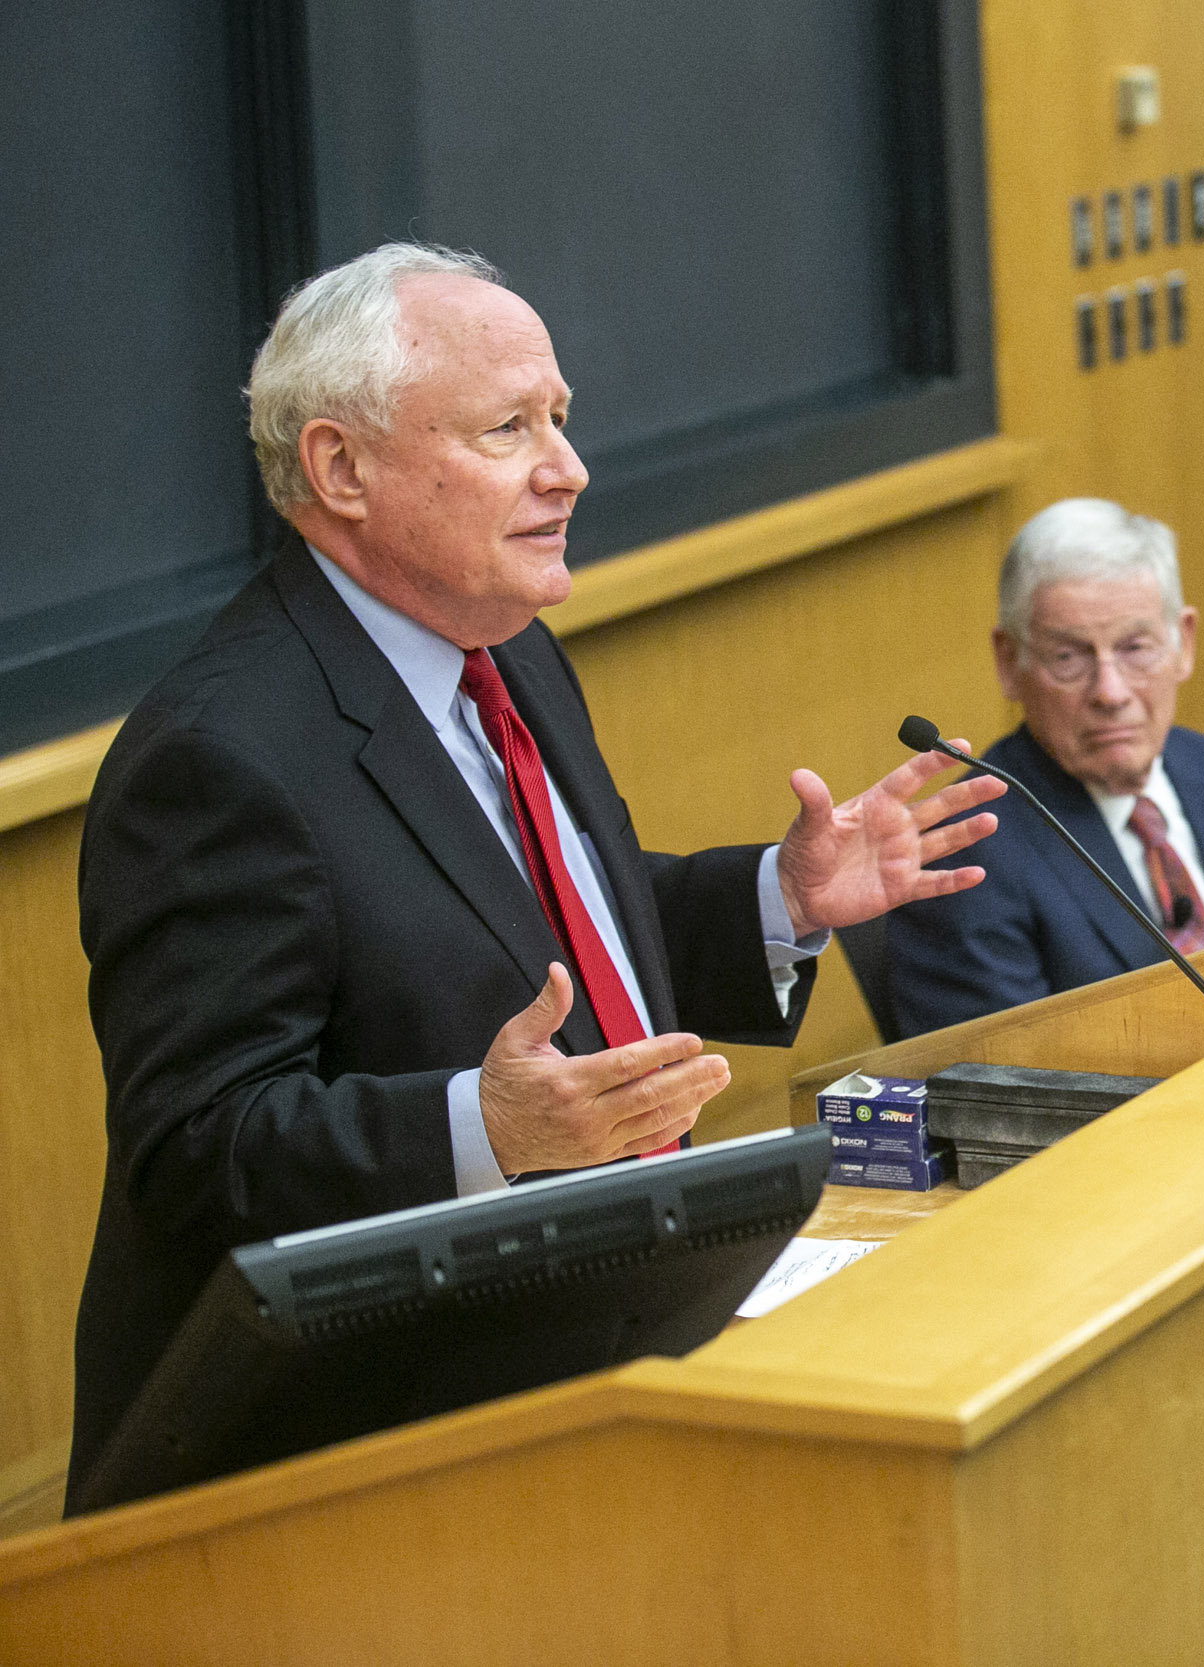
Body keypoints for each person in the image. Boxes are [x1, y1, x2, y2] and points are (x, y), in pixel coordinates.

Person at [69, 243, 1005, 1497]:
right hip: (346, 1459)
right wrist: (485, 1125)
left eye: (560, 420)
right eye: (509, 428)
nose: (568, 470)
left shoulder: (506, 650)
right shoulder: (219, 755)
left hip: (585, 1340)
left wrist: (778, 898)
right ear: (340, 467)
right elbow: (199, 1148)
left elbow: (533, 936)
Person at [883, 499, 1204, 1035]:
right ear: (1009, 663)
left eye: (1135, 648)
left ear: (1184, 643)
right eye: (1069, 658)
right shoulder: (965, 856)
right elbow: (1014, 1096)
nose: (1110, 692)